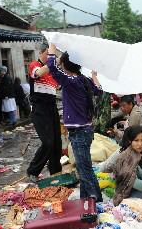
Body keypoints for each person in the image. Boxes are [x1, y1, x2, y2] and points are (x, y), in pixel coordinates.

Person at [46, 43, 103, 202]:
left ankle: (96, 202)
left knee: (85, 170)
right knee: (83, 167)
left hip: (79, 132)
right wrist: (94, 76)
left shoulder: (70, 80)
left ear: (64, 64)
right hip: (85, 130)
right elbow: (99, 90)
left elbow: (51, 66)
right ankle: (87, 200)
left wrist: (52, 46)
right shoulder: (82, 79)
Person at [26, 44, 62, 181]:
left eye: (52, 55)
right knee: (47, 142)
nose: (50, 57)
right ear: (41, 52)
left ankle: (56, 171)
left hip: (52, 108)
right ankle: (33, 171)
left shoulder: (52, 72)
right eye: (49, 54)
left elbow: (60, 86)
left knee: (56, 142)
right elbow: (38, 73)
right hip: (39, 109)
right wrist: (55, 62)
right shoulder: (34, 65)